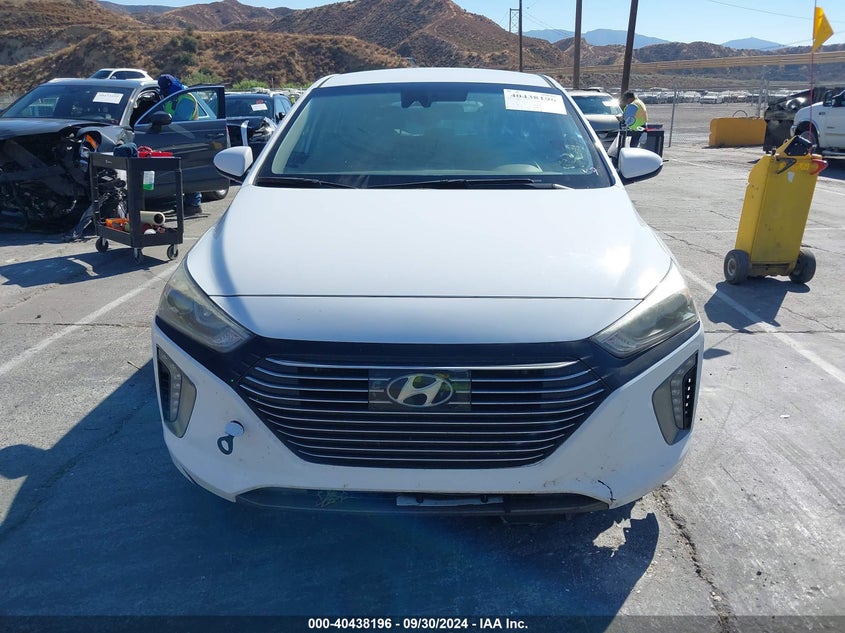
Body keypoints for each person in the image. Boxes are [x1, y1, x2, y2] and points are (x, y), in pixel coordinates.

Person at [157, 74, 203, 215]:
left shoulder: (186, 97)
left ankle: (194, 204)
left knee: (188, 171)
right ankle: (186, 203)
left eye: (165, 89)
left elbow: (180, 121)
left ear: (170, 87)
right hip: (175, 138)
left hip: (188, 138)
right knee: (181, 173)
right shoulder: (172, 96)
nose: (163, 92)